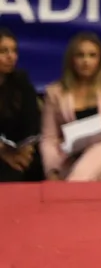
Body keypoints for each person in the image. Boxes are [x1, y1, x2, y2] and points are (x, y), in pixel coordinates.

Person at [41, 31, 101, 181]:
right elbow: (49, 139)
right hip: (73, 160)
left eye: (92, 55)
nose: (86, 61)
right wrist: (52, 171)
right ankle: (78, 187)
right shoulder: (55, 92)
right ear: (71, 60)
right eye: (80, 55)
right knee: (100, 178)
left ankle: (71, 190)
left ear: (100, 60)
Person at [0, 28, 42, 182]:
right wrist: (4, 153)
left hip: (16, 148)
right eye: (3, 51)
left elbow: (32, 118)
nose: (11, 56)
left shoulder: (21, 81)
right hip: (3, 152)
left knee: (37, 163)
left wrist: (26, 148)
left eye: (14, 51)